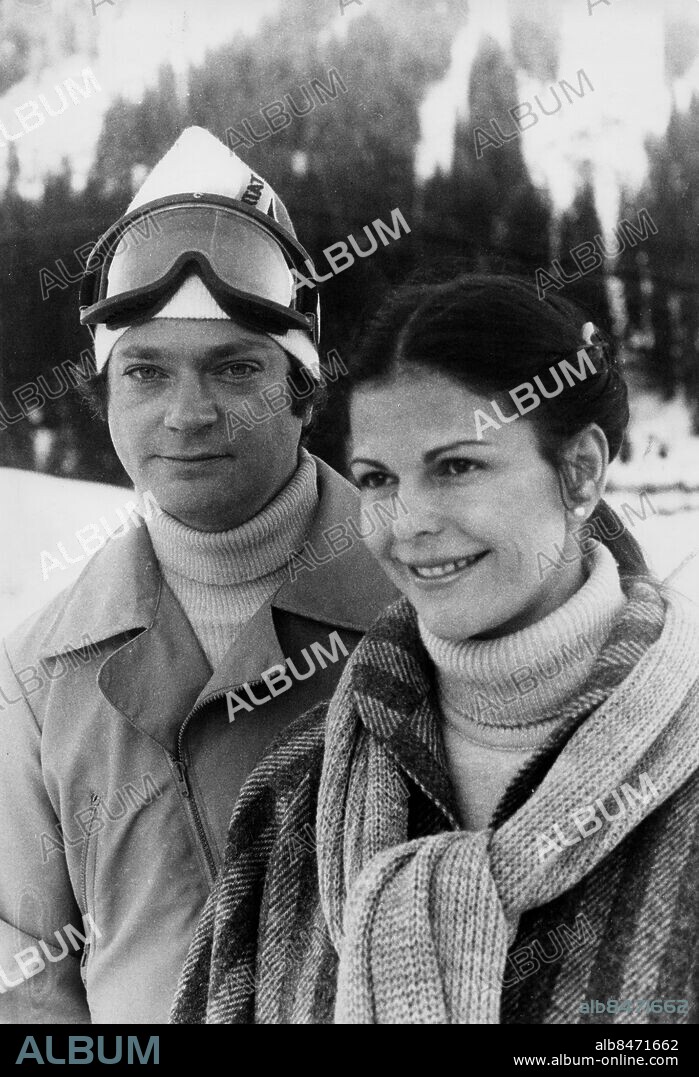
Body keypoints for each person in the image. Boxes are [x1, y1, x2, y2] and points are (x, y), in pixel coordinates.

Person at [171, 273, 699, 1025]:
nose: (407, 522)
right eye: (378, 479)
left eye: (455, 466)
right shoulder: (294, 799)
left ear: (578, 470)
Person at [0, 127, 397, 1024]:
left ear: (302, 389)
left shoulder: (428, 595)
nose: (187, 413)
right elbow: (30, 996)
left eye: (235, 368)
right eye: (145, 371)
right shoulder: (37, 673)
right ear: (108, 396)